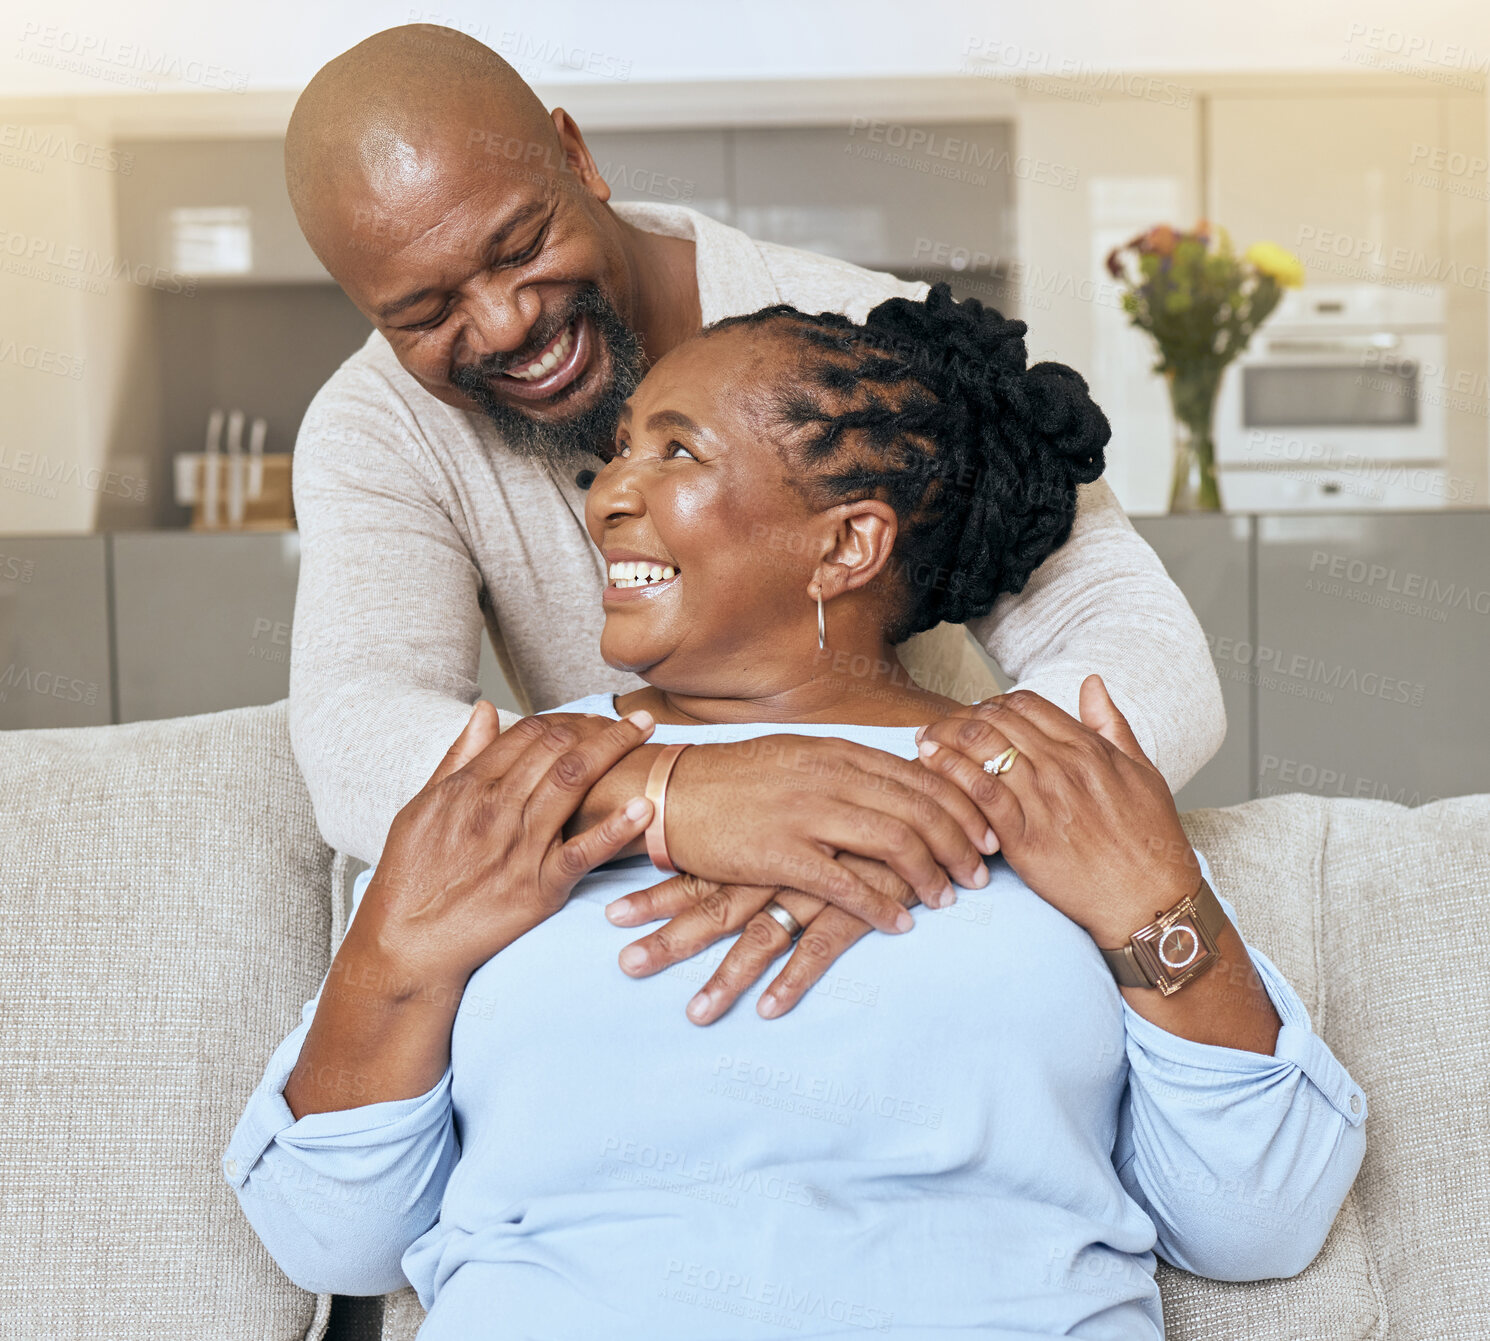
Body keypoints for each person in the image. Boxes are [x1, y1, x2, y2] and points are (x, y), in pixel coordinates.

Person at [226, 289, 1367, 1339]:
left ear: (846, 543)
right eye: (619, 451)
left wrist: (1150, 903)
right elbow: (335, 1233)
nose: (607, 492)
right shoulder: (520, 786)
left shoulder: (1043, 784)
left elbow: (1254, 1217)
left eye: (673, 450)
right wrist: (400, 950)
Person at [282, 26, 1227, 1000]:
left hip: (936, 899)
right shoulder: (377, 429)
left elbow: (1143, 652)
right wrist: (669, 795)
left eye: (519, 246)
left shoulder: (864, 335)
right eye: (425, 315)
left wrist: (892, 815)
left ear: (575, 156)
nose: (505, 323)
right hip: (654, 933)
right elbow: (355, 735)